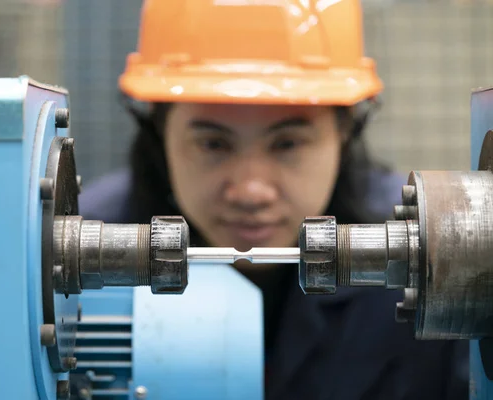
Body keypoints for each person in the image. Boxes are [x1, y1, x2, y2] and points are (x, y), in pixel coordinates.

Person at [78, 0, 468, 398]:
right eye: (213, 143)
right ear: (159, 134)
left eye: (287, 143)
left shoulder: (431, 254)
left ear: (345, 131)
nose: (251, 191)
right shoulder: (82, 247)